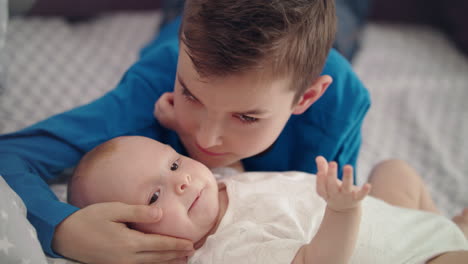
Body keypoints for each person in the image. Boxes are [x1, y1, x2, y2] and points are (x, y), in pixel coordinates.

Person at [0, 0, 370, 263]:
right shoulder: (154, 82)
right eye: (189, 95)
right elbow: (9, 155)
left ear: (306, 97)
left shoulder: (340, 108)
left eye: (246, 117)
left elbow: (316, 220)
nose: (206, 140)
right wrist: (62, 228)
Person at [68, 136, 468, 264]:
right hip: (408, 258)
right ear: (136, 240)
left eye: (174, 165)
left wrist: (180, 126)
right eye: (155, 194)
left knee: (394, 169)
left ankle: (444, 227)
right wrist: (342, 211)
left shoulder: (218, 183)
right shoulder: (226, 252)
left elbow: (242, 176)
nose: (185, 182)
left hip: (396, 221)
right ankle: (449, 239)